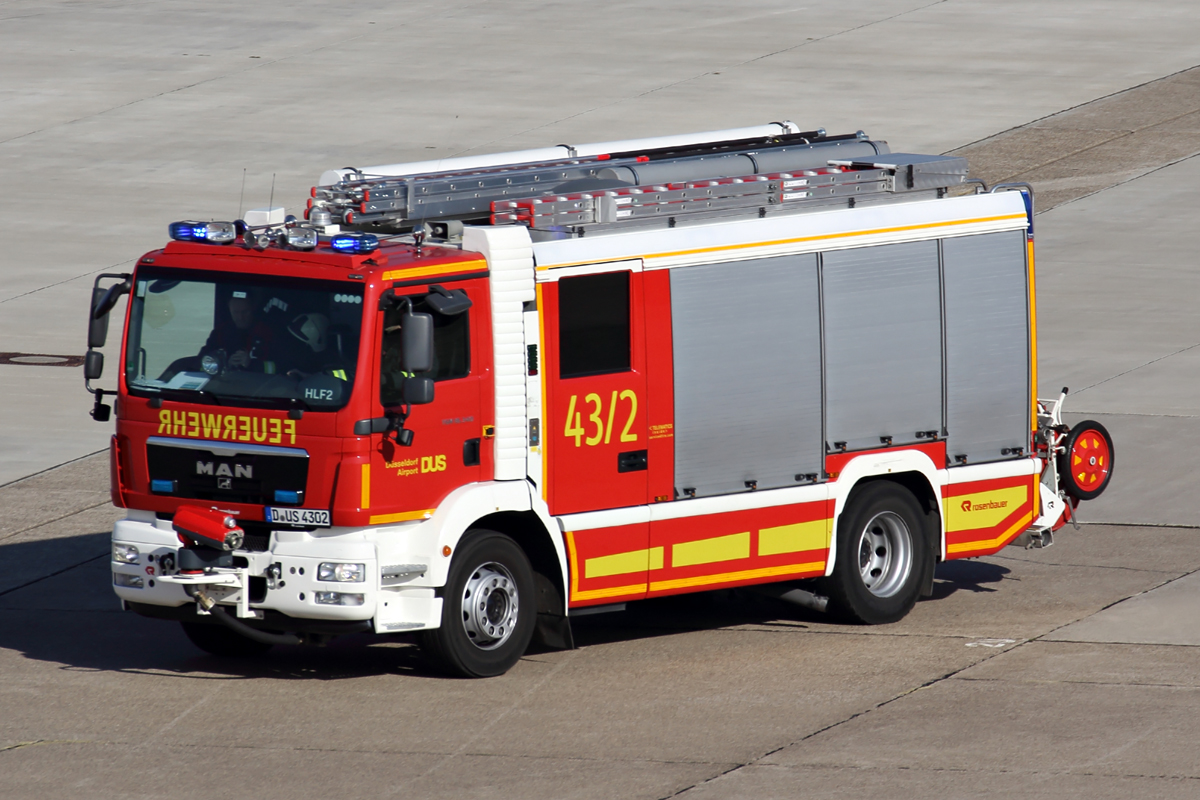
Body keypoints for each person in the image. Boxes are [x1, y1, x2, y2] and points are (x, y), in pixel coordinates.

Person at [202, 293, 275, 371]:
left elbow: (282, 367)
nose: (240, 317)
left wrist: (251, 364)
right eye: (236, 312)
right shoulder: (220, 333)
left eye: (245, 312)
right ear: (229, 311)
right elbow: (202, 362)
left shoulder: (267, 333)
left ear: (253, 309)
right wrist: (225, 364)